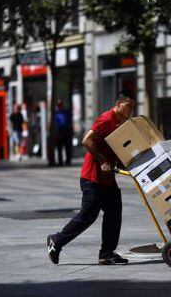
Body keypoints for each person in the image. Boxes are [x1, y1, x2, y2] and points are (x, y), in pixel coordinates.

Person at [47, 90, 135, 265]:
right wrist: (103, 160)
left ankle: (107, 253)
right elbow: (86, 140)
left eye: (133, 107)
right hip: (92, 178)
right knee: (87, 216)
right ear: (118, 104)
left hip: (107, 179)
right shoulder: (106, 119)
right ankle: (56, 241)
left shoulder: (120, 122)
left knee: (114, 211)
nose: (130, 110)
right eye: (128, 106)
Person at [54, 99, 72, 166]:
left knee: (67, 147)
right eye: (58, 105)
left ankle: (68, 161)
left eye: (60, 104)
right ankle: (60, 161)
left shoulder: (66, 112)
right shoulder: (56, 113)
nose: (60, 106)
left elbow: (69, 122)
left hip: (66, 131)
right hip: (59, 132)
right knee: (59, 148)